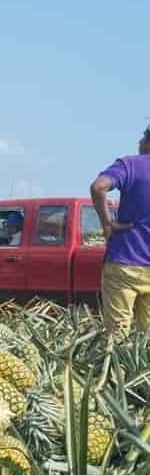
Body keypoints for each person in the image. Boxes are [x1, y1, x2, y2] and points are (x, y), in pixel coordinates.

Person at [91, 127, 150, 336]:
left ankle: (116, 369)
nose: (140, 141)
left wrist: (107, 224)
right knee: (147, 341)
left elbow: (99, 187)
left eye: (143, 136)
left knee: (117, 336)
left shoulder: (130, 164)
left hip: (125, 261)